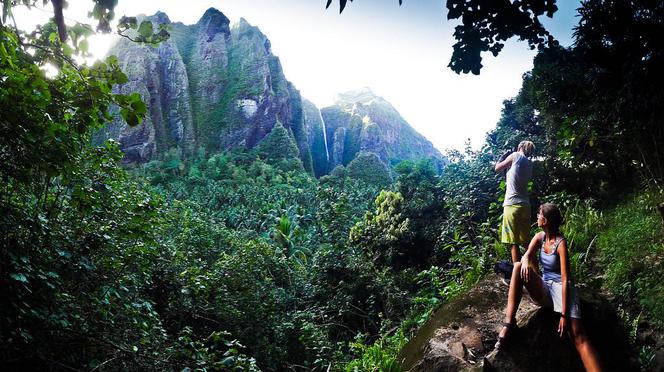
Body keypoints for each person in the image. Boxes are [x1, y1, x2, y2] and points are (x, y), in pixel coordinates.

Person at [495, 203, 602, 372]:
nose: (536, 217)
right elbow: (527, 255)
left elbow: (566, 279)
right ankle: (509, 324)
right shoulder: (539, 237)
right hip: (545, 287)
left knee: (578, 335)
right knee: (516, 267)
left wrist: (564, 314)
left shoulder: (561, 244)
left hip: (562, 289)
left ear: (544, 220)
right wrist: (524, 262)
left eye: (538, 215)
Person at [495, 141, 535, 263]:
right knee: (526, 243)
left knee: (514, 243)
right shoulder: (529, 164)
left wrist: (501, 157)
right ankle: (535, 273)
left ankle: (517, 277)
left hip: (512, 204)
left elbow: (497, 168)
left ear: (520, 147)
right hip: (525, 205)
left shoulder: (515, 156)